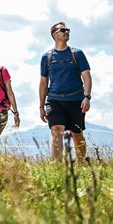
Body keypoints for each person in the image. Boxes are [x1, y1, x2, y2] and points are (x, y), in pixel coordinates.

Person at [39, 21, 92, 164]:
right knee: (56, 130)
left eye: (68, 29)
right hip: (54, 100)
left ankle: (81, 165)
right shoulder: (47, 57)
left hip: (76, 100)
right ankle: (57, 166)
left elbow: (86, 77)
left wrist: (87, 97)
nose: (67, 31)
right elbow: (43, 83)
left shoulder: (77, 54)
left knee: (77, 134)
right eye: (63, 30)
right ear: (55, 35)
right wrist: (41, 106)